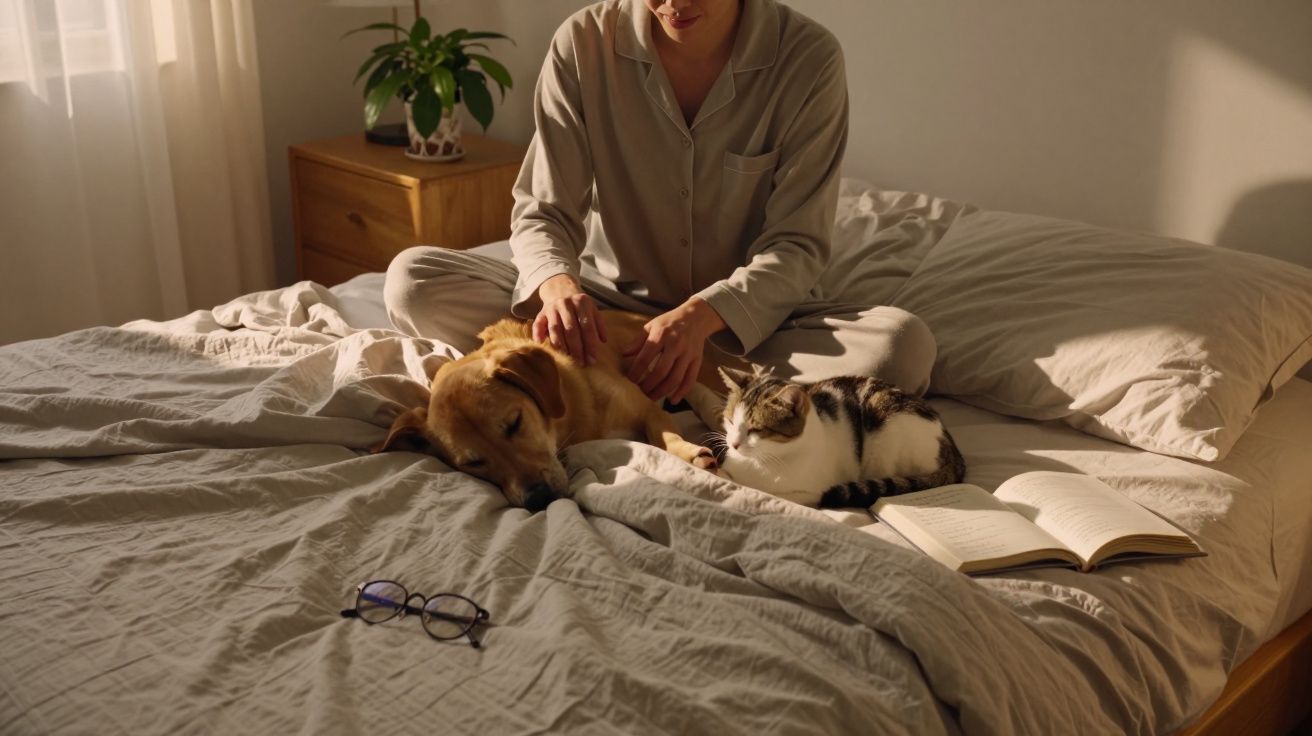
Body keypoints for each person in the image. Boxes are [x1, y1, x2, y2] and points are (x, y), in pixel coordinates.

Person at [385, 0, 935, 405]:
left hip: (750, 325)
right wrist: (558, 288)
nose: (674, 3)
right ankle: (659, 368)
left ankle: (638, 368)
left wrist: (700, 318)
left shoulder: (808, 58)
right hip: (607, 306)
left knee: (901, 350)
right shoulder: (581, 44)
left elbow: (796, 245)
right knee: (413, 282)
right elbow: (543, 210)